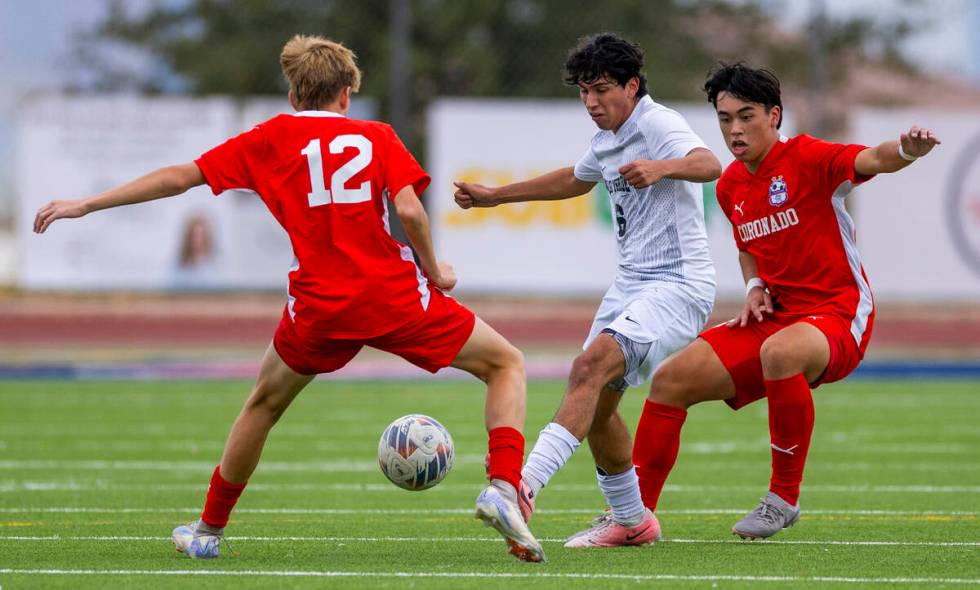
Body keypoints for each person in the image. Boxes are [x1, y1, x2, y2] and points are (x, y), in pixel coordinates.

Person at [33, 34, 545, 563]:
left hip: (319, 307)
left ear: (293, 94)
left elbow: (177, 178)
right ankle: (504, 487)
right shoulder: (376, 135)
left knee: (264, 403)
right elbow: (411, 212)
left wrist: (86, 204)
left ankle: (207, 531)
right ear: (346, 93)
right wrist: (437, 273)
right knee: (505, 363)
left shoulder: (269, 139)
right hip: (392, 297)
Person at [630, 62, 941, 540]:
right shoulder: (731, 183)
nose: (734, 129)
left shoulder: (809, 156)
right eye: (724, 118)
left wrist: (906, 149)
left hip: (838, 314)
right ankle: (633, 517)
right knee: (670, 379)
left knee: (779, 352)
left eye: (746, 116)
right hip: (776, 316)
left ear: (774, 116)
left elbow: (873, 159)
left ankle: (783, 499)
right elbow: (747, 248)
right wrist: (754, 287)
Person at [453, 33, 721, 548]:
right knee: (597, 409)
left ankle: (519, 489)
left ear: (632, 85)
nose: (591, 102)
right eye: (583, 92)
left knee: (587, 368)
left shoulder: (657, 122)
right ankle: (634, 521)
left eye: (600, 89)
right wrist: (496, 198)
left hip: (678, 285)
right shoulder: (605, 140)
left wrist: (662, 167)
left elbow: (708, 163)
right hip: (629, 286)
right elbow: (575, 180)